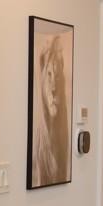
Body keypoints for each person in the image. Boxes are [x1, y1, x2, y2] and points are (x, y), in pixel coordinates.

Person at [31, 33, 70, 187]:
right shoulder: (37, 142)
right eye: (49, 75)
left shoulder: (62, 137)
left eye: (57, 77)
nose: (53, 87)